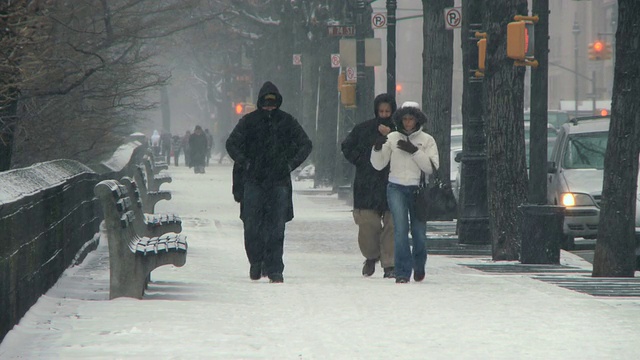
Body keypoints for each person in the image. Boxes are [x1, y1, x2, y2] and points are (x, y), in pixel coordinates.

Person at [226, 81, 312, 283]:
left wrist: (288, 165)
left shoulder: (285, 122)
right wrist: (247, 163)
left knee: (275, 227)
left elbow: (305, 144)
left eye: (272, 103)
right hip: (257, 180)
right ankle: (256, 262)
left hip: (274, 181)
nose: (269, 108)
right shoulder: (251, 122)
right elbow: (231, 144)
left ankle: (274, 268)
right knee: (253, 226)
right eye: (266, 103)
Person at [370, 101, 439, 284]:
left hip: (417, 189)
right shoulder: (392, 138)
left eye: (412, 119)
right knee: (400, 230)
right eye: (405, 119)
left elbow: (431, 167)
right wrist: (377, 148)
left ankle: (419, 264)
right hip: (396, 187)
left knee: (419, 233)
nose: (408, 123)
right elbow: (379, 164)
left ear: (418, 120)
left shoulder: (427, 140)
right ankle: (402, 272)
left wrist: (414, 151)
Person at [341, 93, 397, 278]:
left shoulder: (398, 132)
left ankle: (390, 263)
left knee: (392, 225)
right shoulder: (363, 129)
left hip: (392, 182)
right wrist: (362, 160)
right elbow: (347, 147)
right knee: (368, 224)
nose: (384, 114)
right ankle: (371, 256)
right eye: (381, 110)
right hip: (367, 183)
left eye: (387, 111)